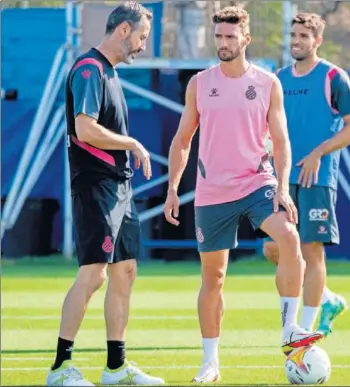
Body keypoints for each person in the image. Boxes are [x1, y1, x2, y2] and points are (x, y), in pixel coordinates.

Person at [163, 6, 324, 383]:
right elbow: (182, 140)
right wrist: (172, 187)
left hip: (257, 182)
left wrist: (283, 188)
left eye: (230, 37)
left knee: (288, 235)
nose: (223, 43)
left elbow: (282, 143)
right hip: (212, 191)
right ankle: (210, 363)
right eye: (218, 36)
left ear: (245, 39)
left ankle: (289, 331)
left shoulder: (268, 83)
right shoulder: (199, 84)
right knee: (213, 278)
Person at [46, 2, 165, 386]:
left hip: (119, 187)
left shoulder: (110, 72)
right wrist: (132, 142)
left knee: (125, 271)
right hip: (96, 184)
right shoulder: (89, 69)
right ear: (124, 30)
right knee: (94, 274)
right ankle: (61, 368)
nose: (143, 46)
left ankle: (116, 368)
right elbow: (85, 129)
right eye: (142, 37)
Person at [263, 13, 350, 337]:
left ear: (317, 41)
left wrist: (318, 153)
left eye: (304, 36)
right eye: (293, 35)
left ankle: (304, 330)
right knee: (274, 249)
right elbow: (268, 127)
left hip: (316, 179)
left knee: (310, 250)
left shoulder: (333, 76)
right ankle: (327, 299)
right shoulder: (277, 77)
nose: (297, 41)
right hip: (281, 178)